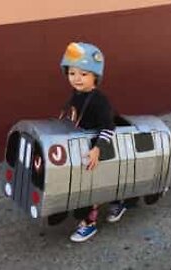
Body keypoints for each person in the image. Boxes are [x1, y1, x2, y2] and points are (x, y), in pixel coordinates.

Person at [59, 42, 127, 242]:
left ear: (95, 76)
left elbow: (109, 127)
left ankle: (89, 223)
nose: (77, 79)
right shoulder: (77, 95)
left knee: (91, 188)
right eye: (72, 73)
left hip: (99, 147)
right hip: (83, 145)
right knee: (96, 183)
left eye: (83, 74)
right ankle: (116, 200)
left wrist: (98, 149)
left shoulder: (100, 100)